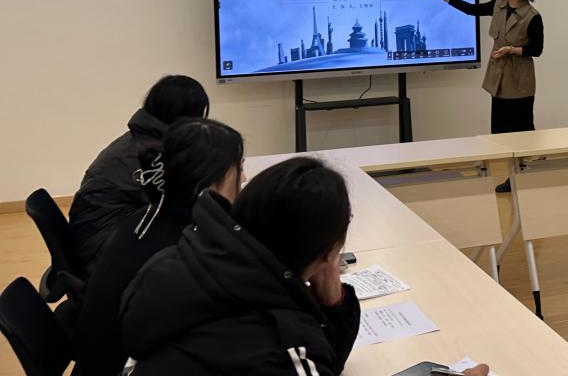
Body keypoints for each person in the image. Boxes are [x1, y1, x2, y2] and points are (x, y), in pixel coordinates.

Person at [120, 157, 360, 375]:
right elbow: (318, 362)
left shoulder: (171, 264)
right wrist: (329, 267)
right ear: (328, 250)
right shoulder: (284, 345)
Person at [72, 118, 245, 376]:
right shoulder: (187, 248)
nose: (243, 178)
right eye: (238, 168)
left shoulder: (147, 217)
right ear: (209, 181)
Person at [69, 75, 210, 275]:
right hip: (106, 258)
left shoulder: (141, 140)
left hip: (98, 241)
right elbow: (180, 209)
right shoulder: (154, 154)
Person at [429, 0, 543, 193]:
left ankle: (524, 177)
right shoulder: (499, 5)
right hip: (498, 80)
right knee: (500, 132)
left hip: (519, 82)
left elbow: (537, 49)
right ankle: (512, 178)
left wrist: (511, 49)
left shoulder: (532, 16)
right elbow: (473, 10)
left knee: (522, 133)